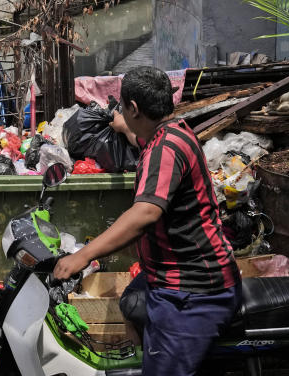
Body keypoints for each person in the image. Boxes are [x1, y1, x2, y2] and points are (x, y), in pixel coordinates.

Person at [53, 66, 240, 376]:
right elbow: (147, 144)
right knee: (131, 302)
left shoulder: (164, 149)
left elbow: (145, 214)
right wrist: (125, 128)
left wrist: (82, 255)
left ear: (135, 108)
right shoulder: (172, 131)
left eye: (124, 108)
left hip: (191, 289)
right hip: (181, 273)